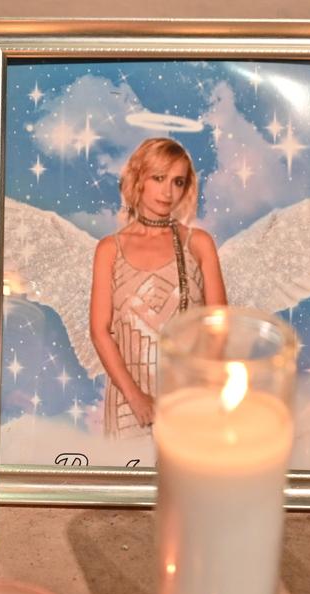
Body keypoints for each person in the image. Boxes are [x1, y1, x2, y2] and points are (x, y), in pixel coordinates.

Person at [90, 137, 227, 438]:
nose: (168, 191)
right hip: (129, 404)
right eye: (159, 178)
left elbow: (218, 329)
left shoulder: (198, 243)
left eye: (178, 182)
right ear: (139, 178)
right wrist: (135, 397)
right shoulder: (109, 249)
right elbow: (100, 331)